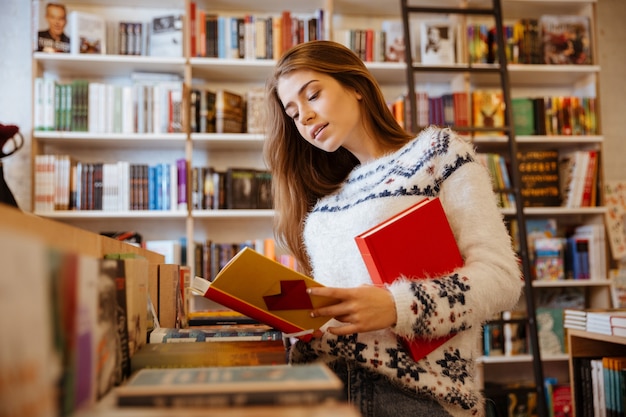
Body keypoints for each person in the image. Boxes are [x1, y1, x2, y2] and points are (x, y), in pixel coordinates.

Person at [264, 40, 523, 417]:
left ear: (356, 86)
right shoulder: (325, 204)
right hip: (318, 386)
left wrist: (394, 305)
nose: (303, 116)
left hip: (407, 394)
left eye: (313, 95)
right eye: (292, 112)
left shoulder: (437, 153)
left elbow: (500, 278)